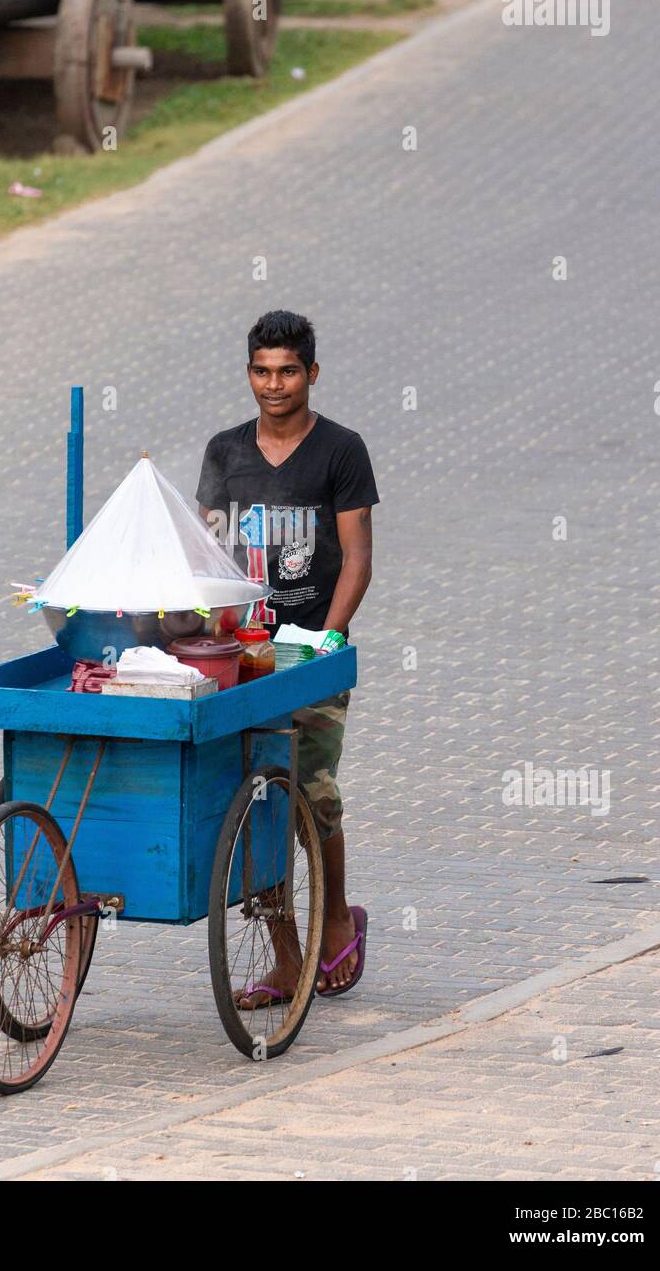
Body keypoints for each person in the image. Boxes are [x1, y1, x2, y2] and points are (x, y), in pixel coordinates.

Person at [196, 309, 379, 1003]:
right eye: (263, 372)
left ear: (312, 374)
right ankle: (282, 955)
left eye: (289, 372)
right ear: (249, 374)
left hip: (313, 652)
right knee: (256, 797)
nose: (275, 385)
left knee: (314, 791)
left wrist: (329, 639)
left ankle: (335, 920)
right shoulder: (224, 453)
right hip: (245, 656)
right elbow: (211, 559)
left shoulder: (341, 450)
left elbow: (358, 560)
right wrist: (210, 640)